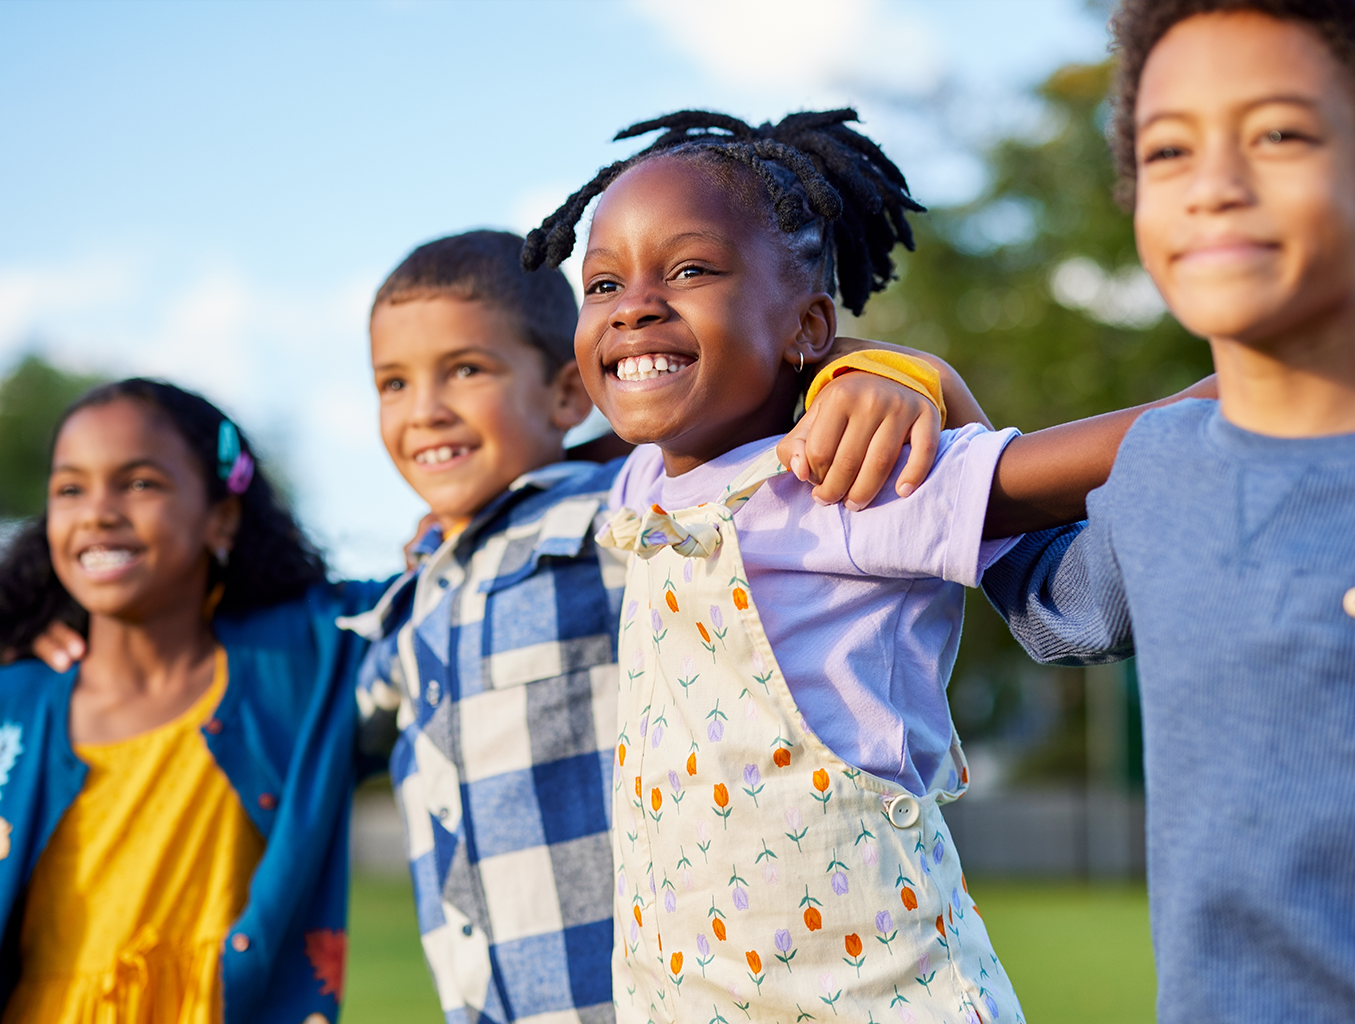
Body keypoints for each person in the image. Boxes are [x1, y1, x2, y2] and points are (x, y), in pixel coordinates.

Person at [979, 2, 1355, 1021]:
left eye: (1279, 134)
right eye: (1169, 150)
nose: (1213, 185)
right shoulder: (1155, 472)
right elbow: (1030, 586)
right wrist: (920, 387)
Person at [344, 229, 969, 1024]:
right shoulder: (411, 595)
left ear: (568, 394)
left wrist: (876, 372)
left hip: (653, 992)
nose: (426, 410)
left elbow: (734, 424)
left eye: (466, 370)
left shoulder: (621, 515)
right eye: (393, 384)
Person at [0, 380, 384, 1023]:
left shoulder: (299, 662)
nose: (98, 512)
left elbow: (438, 591)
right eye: (70, 489)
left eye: (140, 483)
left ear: (221, 518)